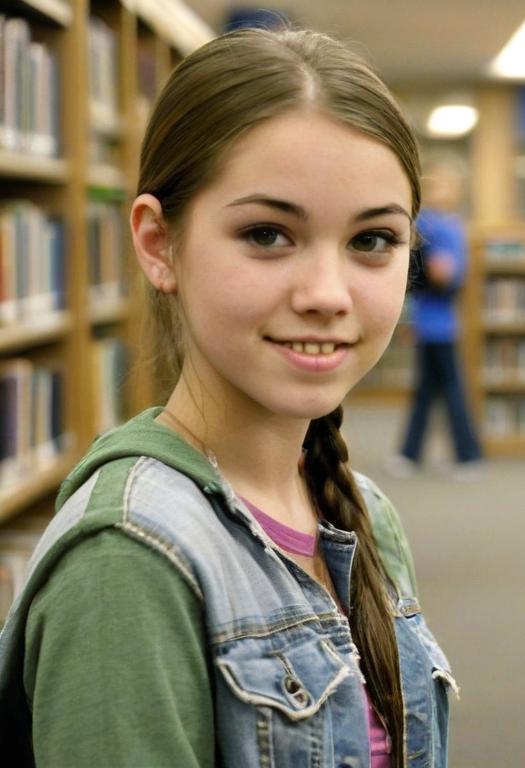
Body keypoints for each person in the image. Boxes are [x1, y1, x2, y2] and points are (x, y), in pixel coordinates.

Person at [0, 28, 456, 768]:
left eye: (372, 241)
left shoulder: (364, 514)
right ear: (158, 244)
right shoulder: (129, 562)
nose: (327, 295)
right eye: (269, 234)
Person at [387, 163, 483, 480]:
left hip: (440, 326)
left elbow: (446, 274)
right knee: (428, 391)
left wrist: (429, 269)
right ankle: (411, 455)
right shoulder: (437, 224)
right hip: (428, 324)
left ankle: (468, 456)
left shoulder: (442, 227)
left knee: (450, 391)